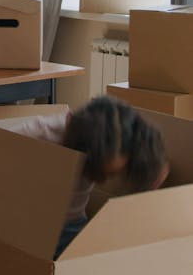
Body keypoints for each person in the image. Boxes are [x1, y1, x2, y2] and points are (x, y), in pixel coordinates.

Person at [14, 95, 169, 258]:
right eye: (100, 172)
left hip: (72, 226)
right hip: (31, 227)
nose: (102, 181)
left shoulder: (127, 137)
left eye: (111, 174)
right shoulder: (38, 134)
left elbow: (156, 164)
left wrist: (153, 175)